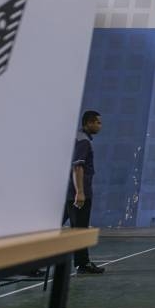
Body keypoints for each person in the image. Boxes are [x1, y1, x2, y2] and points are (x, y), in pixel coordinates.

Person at [65, 110, 105, 274]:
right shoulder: (83, 141)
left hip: (68, 192)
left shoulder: (79, 138)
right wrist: (80, 192)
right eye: (98, 122)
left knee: (53, 228)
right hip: (77, 193)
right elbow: (78, 167)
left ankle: (32, 265)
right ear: (89, 123)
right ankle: (82, 264)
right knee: (80, 229)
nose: (100, 126)